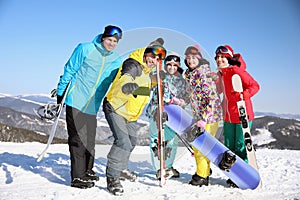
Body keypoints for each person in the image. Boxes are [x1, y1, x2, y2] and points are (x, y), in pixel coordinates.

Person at [56, 25, 123, 189]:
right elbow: (70, 69)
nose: (112, 43)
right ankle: (77, 177)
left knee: (89, 140)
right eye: (110, 39)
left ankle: (87, 170)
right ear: (103, 38)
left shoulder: (116, 60)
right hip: (76, 100)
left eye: (115, 41)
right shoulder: (85, 48)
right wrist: (61, 91)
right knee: (78, 140)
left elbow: (121, 80)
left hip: (92, 105)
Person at [102, 38, 166, 196]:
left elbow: (139, 92)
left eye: (158, 59)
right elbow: (126, 78)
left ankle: (122, 168)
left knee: (131, 142)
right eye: (152, 56)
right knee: (122, 141)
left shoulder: (147, 73)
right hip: (115, 107)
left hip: (131, 114)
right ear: (146, 53)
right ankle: (112, 177)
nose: (154, 60)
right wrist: (127, 86)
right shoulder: (133, 64)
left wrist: (153, 89)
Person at [214, 45, 260, 187]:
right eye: (218, 57)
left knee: (240, 146)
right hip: (228, 116)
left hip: (242, 115)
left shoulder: (236, 71)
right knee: (229, 146)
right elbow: (219, 90)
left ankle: (241, 174)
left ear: (228, 58)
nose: (219, 59)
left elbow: (255, 86)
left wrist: (243, 95)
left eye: (222, 57)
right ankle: (234, 174)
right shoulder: (221, 74)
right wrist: (214, 79)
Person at [145, 52, 189, 179]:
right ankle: (159, 167)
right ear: (165, 65)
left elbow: (186, 96)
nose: (171, 67)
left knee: (172, 140)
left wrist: (181, 102)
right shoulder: (158, 75)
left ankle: (168, 166)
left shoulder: (181, 80)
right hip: (156, 111)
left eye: (175, 65)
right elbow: (150, 88)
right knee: (156, 138)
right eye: (169, 64)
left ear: (178, 66)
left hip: (173, 114)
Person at [184, 45, 222, 187]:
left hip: (210, 117)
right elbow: (191, 97)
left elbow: (212, 99)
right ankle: (204, 170)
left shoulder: (204, 74)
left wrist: (204, 119)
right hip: (198, 117)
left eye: (193, 58)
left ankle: (202, 176)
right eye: (188, 58)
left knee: (201, 146)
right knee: (198, 146)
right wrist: (180, 102)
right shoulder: (190, 75)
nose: (190, 61)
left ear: (199, 59)